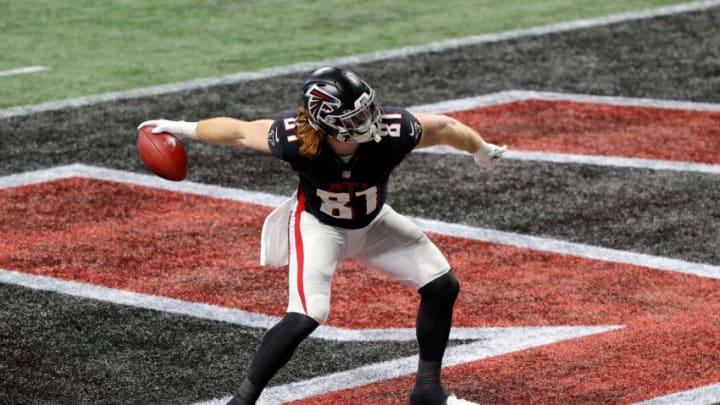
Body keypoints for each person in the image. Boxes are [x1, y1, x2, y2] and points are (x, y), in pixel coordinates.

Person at [138, 66, 506, 405]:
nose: (370, 119)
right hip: (320, 227)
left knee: (442, 285)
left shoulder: (392, 131)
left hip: (374, 223)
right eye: (356, 116)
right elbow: (238, 131)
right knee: (306, 314)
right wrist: (180, 127)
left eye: (367, 109)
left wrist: (482, 150)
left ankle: (428, 392)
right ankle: (241, 401)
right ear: (327, 123)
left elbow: (444, 127)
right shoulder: (295, 139)